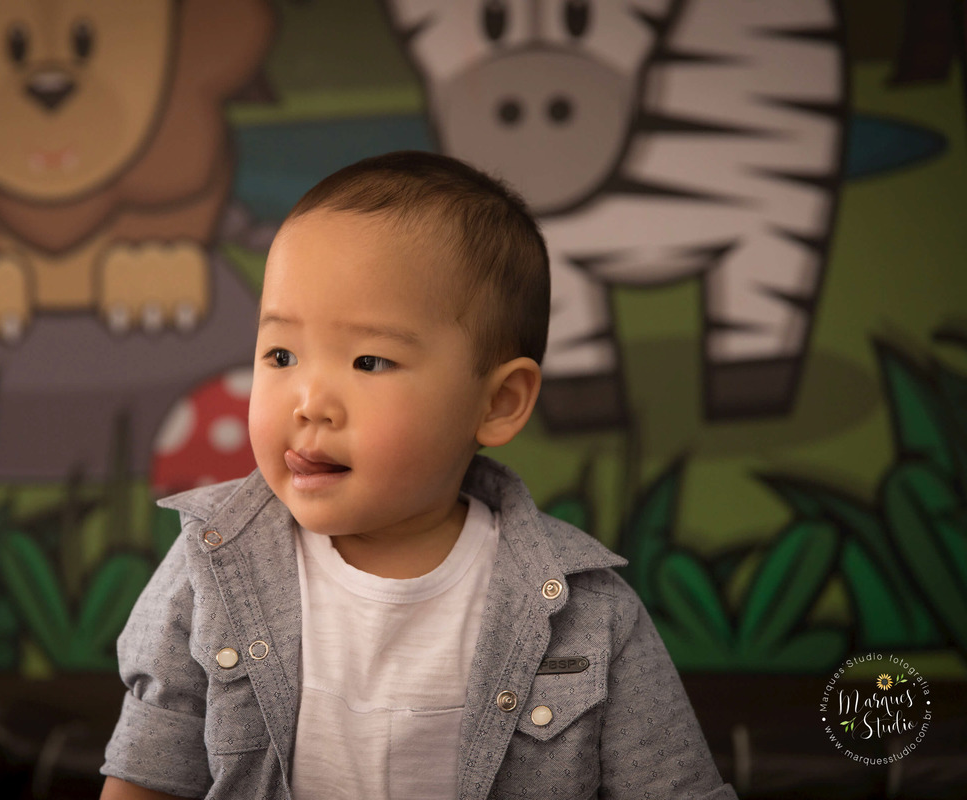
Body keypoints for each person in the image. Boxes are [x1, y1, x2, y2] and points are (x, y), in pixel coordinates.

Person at [99, 151, 737, 799]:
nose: (310, 402)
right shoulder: (210, 568)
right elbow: (145, 776)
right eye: (281, 354)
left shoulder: (588, 616)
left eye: (369, 362)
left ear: (498, 402)